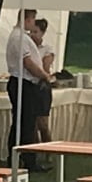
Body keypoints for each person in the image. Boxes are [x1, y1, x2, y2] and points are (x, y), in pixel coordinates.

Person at [5, 7, 49, 172]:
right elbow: (28, 63)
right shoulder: (19, 38)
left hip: (26, 82)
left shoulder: (21, 36)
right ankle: (26, 159)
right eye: (32, 20)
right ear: (27, 20)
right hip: (23, 82)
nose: (33, 24)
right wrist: (44, 75)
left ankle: (24, 158)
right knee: (25, 123)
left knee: (25, 122)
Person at [30, 16, 57, 144]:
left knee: (43, 124)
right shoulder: (26, 46)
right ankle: (35, 150)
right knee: (32, 124)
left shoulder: (47, 48)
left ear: (42, 33)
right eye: (31, 31)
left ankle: (49, 150)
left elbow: (45, 67)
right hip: (30, 85)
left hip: (42, 87)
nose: (32, 35)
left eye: (35, 32)